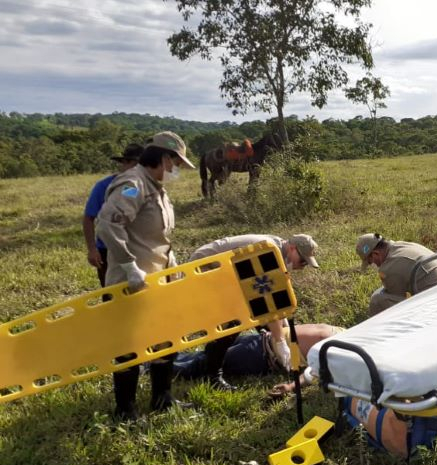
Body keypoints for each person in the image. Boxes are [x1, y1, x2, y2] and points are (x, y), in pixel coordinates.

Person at [96, 131, 195, 421]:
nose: (177, 169)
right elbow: (107, 225)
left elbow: (159, 239)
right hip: (132, 282)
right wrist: (128, 265)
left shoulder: (156, 188)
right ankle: (125, 410)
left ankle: (162, 399)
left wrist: (172, 269)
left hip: (157, 280)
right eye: (176, 163)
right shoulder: (133, 184)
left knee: (166, 339)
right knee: (129, 345)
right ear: (164, 158)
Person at [187, 233, 320, 391]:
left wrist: (285, 332)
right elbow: (265, 300)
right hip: (204, 269)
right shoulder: (267, 252)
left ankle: (213, 358)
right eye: (302, 260)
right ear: (291, 248)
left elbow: (276, 305)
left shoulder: (278, 253)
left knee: (257, 314)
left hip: (226, 272)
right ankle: (212, 375)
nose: (303, 265)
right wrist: (279, 341)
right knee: (236, 318)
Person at [173, 323, 341, 397]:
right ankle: (161, 360)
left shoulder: (341, 355)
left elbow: (314, 372)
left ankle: (153, 367)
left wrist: (290, 386)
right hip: (261, 338)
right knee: (208, 355)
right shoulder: (348, 333)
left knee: (200, 365)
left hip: (261, 356)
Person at [82, 143, 144, 287]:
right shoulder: (105, 186)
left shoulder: (142, 185)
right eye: (137, 165)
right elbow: (89, 218)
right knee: (111, 294)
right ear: (125, 163)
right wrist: (92, 250)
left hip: (135, 248)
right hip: (108, 248)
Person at [355, 233, 437, 316]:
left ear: (376, 254)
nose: (373, 265)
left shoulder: (389, 268)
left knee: (377, 300)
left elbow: (400, 298)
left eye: (370, 262)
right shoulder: (402, 245)